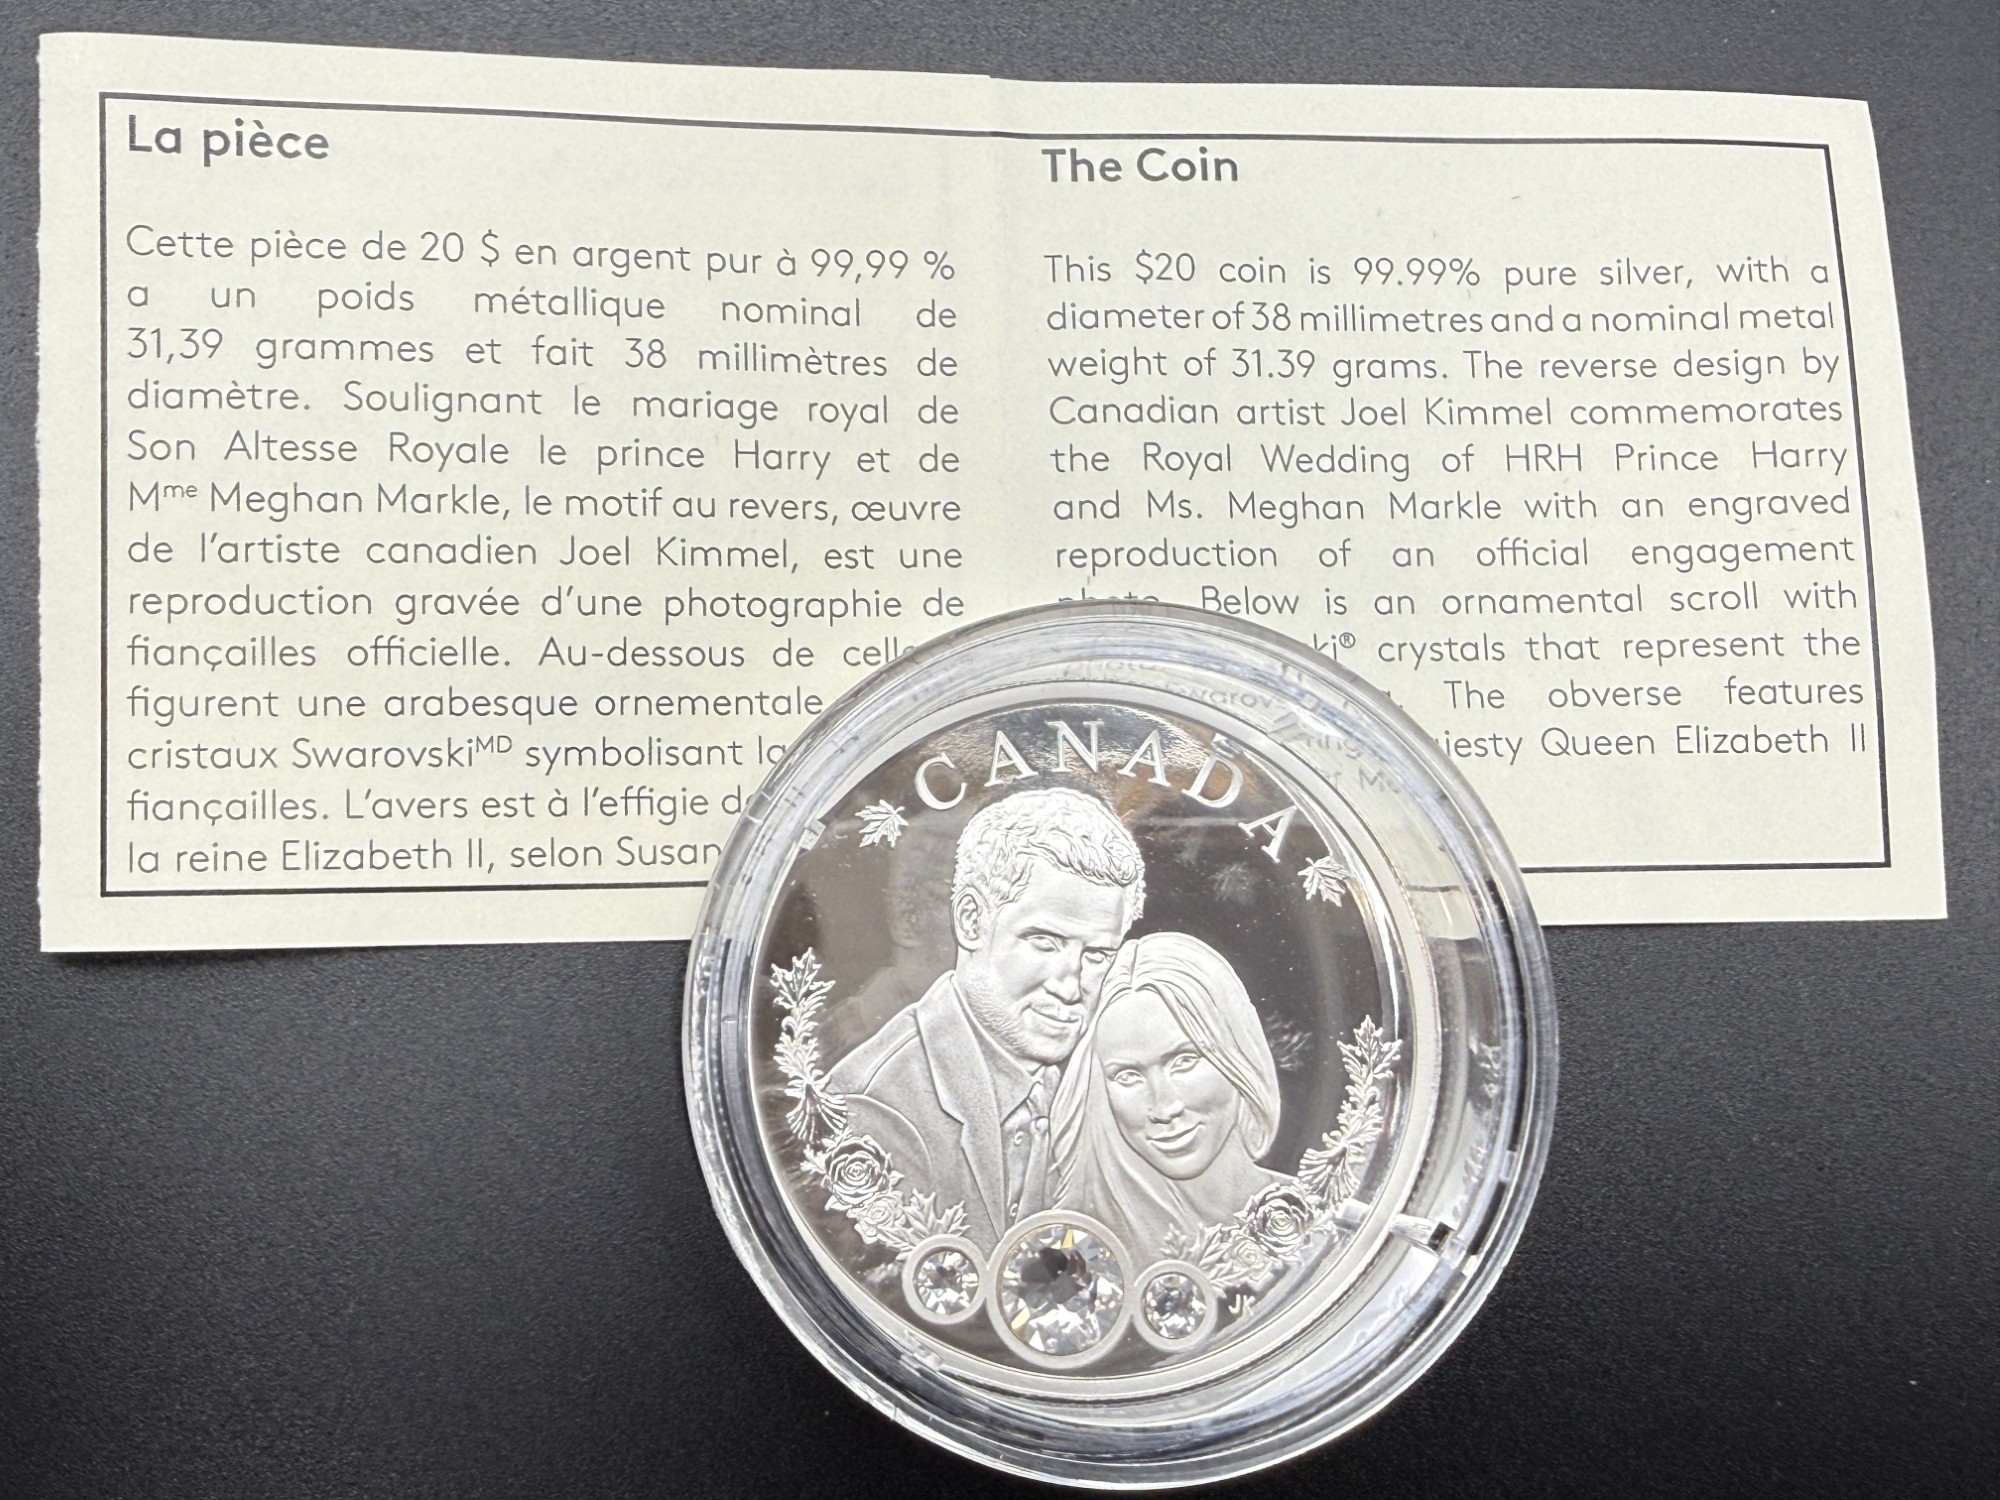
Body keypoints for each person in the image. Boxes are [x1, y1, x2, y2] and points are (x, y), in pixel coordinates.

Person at [828, 787, 1146, 1250]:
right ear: (971, 920)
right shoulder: (874, 1106)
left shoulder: (1103, 1081)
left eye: (1097, 954)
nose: (1071, 986)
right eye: (1045, 943)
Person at [1051, 931, 1288, 1258]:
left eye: (1184, 1061)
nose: (1164, 1108)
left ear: (1237, 1054)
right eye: (1128, 1075)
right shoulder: (1079, 1246)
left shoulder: (1324, 1216)